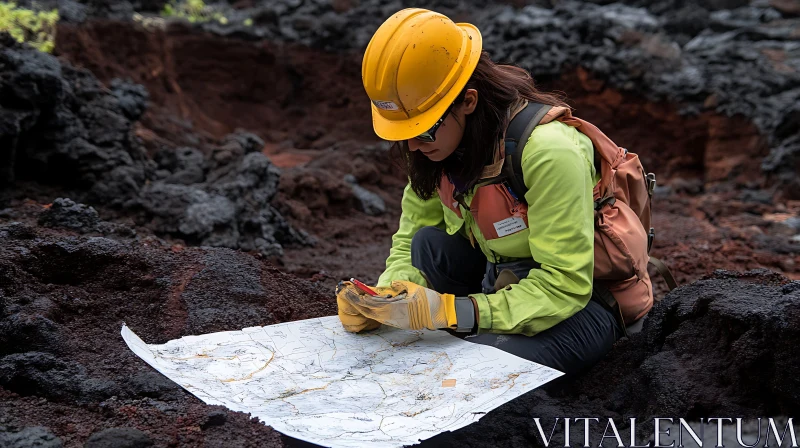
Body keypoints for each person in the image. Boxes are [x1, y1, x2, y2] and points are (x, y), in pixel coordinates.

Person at [336, 8, 632, 376]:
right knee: (428, 245)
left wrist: (454, 313)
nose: (412, 147)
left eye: (423, 130)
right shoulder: (438, 148)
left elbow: (565, 285)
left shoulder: (549, 153)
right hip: (502, 275)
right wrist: (385, 299)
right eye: (402, 134)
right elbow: (410, 236)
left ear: (469, 101)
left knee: (477, 367)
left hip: (583, 302)